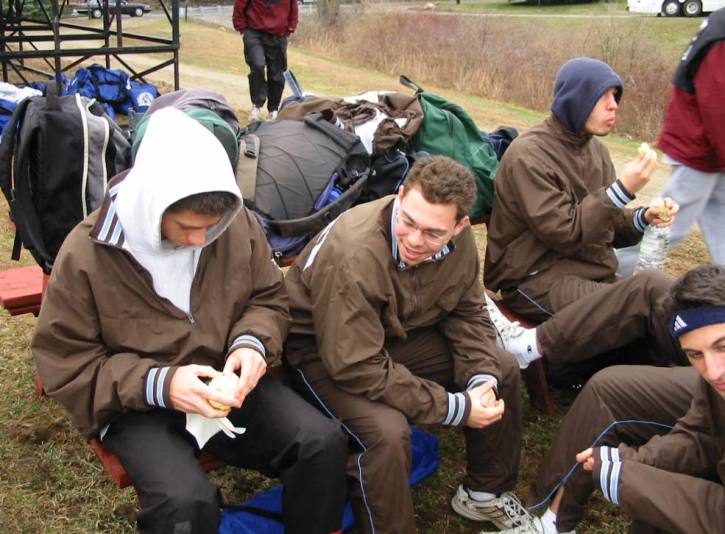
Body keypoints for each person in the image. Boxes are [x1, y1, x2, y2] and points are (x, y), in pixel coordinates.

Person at [32, 108, 347, 534]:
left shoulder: (236, 226)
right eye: (186, 227)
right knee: (184, 503)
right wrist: (160, 383)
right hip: (136, 403)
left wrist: (252, 343)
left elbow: (269, 298)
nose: (200, 240)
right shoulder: (86, 254)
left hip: (224, 384)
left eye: (211, 227)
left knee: (321, 442)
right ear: (150, 203)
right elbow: (67, 365)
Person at [284, 156, 533, 533]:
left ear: (460, 226)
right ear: (399, 196)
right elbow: (354, 365)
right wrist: (454, 408)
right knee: (385, 434)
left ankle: (485, 493)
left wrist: (480, 378)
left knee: (501, 368)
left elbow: (466, 312)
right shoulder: (355, 254)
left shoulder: (460, 242)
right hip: (320, 352)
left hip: (393, 336)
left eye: (433, 233)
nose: (416, 240)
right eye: (408, 221)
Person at [484, 57, 682, 384]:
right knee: (648, 295)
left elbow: (610, 225)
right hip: (534, 277)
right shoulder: (529, 154)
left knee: (661, 305)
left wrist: (644, 217)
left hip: (586, 270)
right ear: (575, 99)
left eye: (616, 97)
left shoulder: (597, 153)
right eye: (603, 97)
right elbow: (565, 231)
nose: (613, 106)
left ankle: (647, 385)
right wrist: (622, 189)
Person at [486, 264, 725, 534]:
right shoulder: (712, 380)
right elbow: (700, 436)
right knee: (610, 388)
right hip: (569, 273)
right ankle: (553, 523)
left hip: (565, 277)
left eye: (723, 346)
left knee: (657, 503)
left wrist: (628, 478)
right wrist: (629, 459)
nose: (713, 370)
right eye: (695, 354)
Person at [616, 8, 725, 276]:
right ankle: (605, 267)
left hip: (707, 149)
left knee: (721, 221)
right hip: (697, 148)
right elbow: (718, 108)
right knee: (669, 225)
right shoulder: (722, 35)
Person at [232, 0, 298, 122]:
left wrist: (290, 27)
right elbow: (240, 5)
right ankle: (256, 105)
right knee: (257, 65)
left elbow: (293, 6)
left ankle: (273, 109)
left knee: (277, 75)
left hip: (278, 35)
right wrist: (242, 27)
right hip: (254, 32)